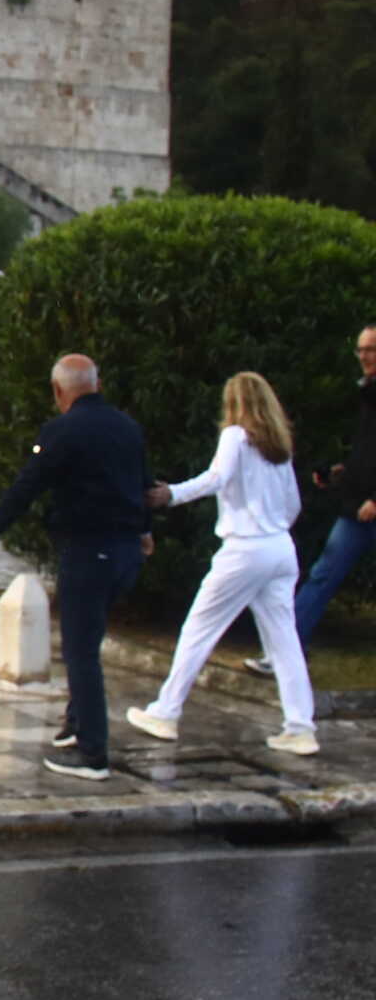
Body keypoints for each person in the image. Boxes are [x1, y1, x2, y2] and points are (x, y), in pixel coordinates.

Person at [0, 354, 153, 781]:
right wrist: (145, 532)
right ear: (97, 383)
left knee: (80, 651)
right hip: (126, 551)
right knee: (89, 639)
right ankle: (76, 723)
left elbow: (28, 484)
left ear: (59, 391)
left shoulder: (63, 430)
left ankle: (93, 751)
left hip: (90, 550)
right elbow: (143, 483)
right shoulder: (127, 426)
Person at [126, 373, 316, 754]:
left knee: (199, 628)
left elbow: (216, 478)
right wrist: (272, 526)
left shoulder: (235, 437)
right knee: (283, 639)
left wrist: (171, 495)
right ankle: (300, 726)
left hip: (244, 549)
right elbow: (293, 504)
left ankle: (166, 711)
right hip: (280, 547)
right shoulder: (279, 447)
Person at [245, 322, 376, 676]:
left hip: (368, 507)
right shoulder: (368, 394)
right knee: (323, 575)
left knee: (323, 574)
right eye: (361, 349)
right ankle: (282, 655)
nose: (364, 356)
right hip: (357, 508)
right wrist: (341, 474)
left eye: (371, 350)